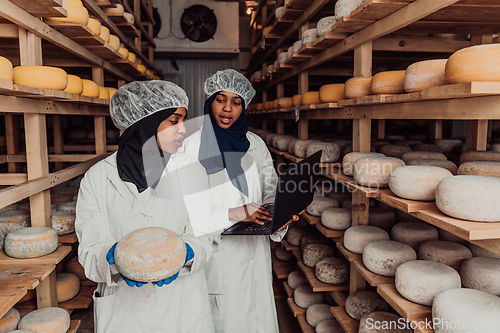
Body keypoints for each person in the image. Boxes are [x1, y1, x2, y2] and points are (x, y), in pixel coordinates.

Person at [75, 81, 219, 333]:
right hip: (124, 313)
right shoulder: (97, 177)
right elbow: (89, 251)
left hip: (182, 307)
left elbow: (206, 233)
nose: (184, 129)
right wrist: (113, 262)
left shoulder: (192, 170)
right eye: (174, 121)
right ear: (145, 125)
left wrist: (188, 252)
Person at [181, 69, 298, 333]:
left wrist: (278, 216)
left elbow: (270, 187)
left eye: (236, 102)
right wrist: (232, 213)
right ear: (209, 101)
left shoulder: (254, 144)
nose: (228, 109)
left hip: (254, 254)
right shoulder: (191, 147)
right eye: (221, 99)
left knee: (258, 320)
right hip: (218, 259)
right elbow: (185, 212)